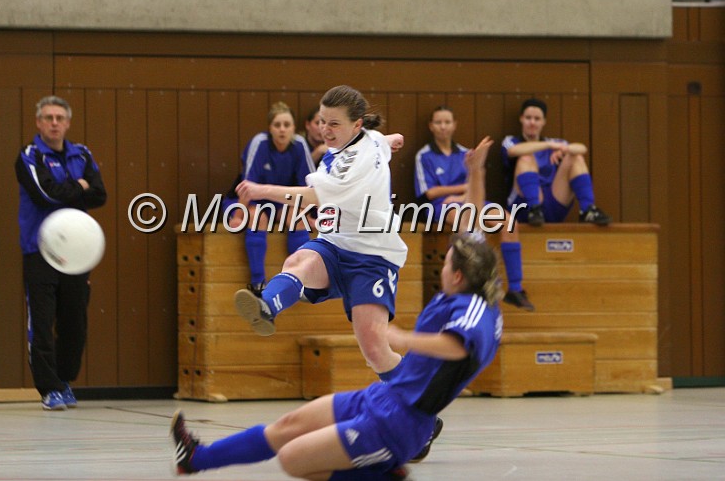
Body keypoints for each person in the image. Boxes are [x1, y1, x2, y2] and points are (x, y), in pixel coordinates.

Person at [170, 136, 504, 480]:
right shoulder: (473, 277)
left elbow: (457, 345)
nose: (443, 265)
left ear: (459, 276)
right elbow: (471, 219)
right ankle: (195, 458)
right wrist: (476, 172)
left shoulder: (476, 313)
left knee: (293, 460)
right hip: (384, 395)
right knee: (288, 426)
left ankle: (381, 476)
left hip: (401, 423)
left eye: (447, 263)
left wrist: (404, 339)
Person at [233, 85, 407, 380]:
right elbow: (380, 140)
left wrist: (261, 190)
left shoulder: (355, 161)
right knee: (297, 261)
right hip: (335, 244)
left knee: (375, 351)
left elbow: (312, 197)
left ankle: (417, 397)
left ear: (356, 124)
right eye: (322, 121)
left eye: (334, 123)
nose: (325, 129)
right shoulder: (367, 140)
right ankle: (267, 304)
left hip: (373, 256)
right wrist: (390, 140)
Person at [15, 96, 107, 411]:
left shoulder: (82, 154)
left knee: (74, 321)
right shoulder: (29, 155)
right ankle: (48, 388)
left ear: (67, 123)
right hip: (39, 251)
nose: (54, 123)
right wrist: (78, 187)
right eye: (48, 118)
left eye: (59, 118)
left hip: (76, 253)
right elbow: (43, 193)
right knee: (41, 321)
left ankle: (65, 379)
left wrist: (73, 189)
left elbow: (99, 194)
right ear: (38, 122)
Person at [415, 106, 535, 312]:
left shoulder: (465, 153)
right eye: (438, 122)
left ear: (454, 125)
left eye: (447, 122)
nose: (443, 126)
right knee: (467, 220)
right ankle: (476, 281)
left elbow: (475, 183)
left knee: (509, 222)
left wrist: (463, 194)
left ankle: (515, 289)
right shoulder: (424, 156)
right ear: (431, 126)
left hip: (467, 199)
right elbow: (430, 192)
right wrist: (462, 191)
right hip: (440, 205)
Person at [233, 102, 317, 296]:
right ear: (270, 128)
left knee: (297, 217)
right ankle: (258, 283)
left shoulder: (299, 145)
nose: (282, 129)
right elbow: (246, 186)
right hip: (254, 201)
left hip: (282, 202)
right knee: (257, 217)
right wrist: (238, 215)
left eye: (287, 125)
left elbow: (310, 187)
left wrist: (313, 216)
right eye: (277, 125)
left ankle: (299, 280)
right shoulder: (260, 143)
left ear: (294, 128)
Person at [502, 98, 611, 226]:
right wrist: (548, 145)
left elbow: (582, 148)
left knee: (575, 157)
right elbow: (513, 151)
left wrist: (565, 150)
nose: (532, 122)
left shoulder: (556, 143)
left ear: (544, 121)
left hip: (553, 203)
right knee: (526, 157)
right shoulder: (511, 140)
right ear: (521, 119)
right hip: (523, 207)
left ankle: (588, 210)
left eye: (537, 119)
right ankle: (534, 208)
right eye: (528, 118)